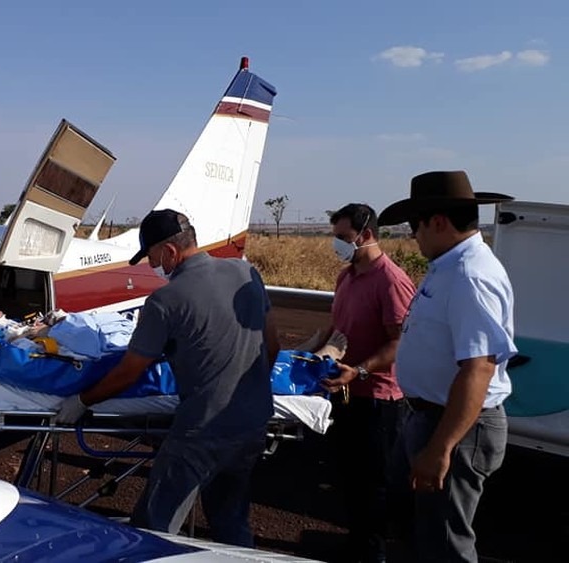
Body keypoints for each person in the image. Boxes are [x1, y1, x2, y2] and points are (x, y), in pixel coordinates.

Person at [54, 208, 280, 547]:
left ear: (170, 251)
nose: (151, 265)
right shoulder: (244, 272)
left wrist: (82, 401)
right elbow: (272, 345)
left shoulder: (165, 300)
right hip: (253, 422)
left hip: (202, 429)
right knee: (230, 521)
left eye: (151, 257)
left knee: (155, 527)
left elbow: (131, 371)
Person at [378, 170, 516, 562]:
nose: (413, 235)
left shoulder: (471, 276)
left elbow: (479, 368)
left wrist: (441, 447)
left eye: (415, 225)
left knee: (445, 545)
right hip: (431, 418)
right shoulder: (449, 266)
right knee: (421, 533)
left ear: (437, 222)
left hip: (455, 427)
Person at [314, 203, 416, 563]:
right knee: (351, 478)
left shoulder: (392, 281)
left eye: (343, 238)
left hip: (378, 399)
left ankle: (374, 553)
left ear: (366, 234)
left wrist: (359, 369)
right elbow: (337, 326)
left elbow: (399, 342)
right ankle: (357, 544)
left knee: (376, 483)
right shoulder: (347, 276)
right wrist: (314, 351)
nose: (337, 246)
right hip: (346, 391)